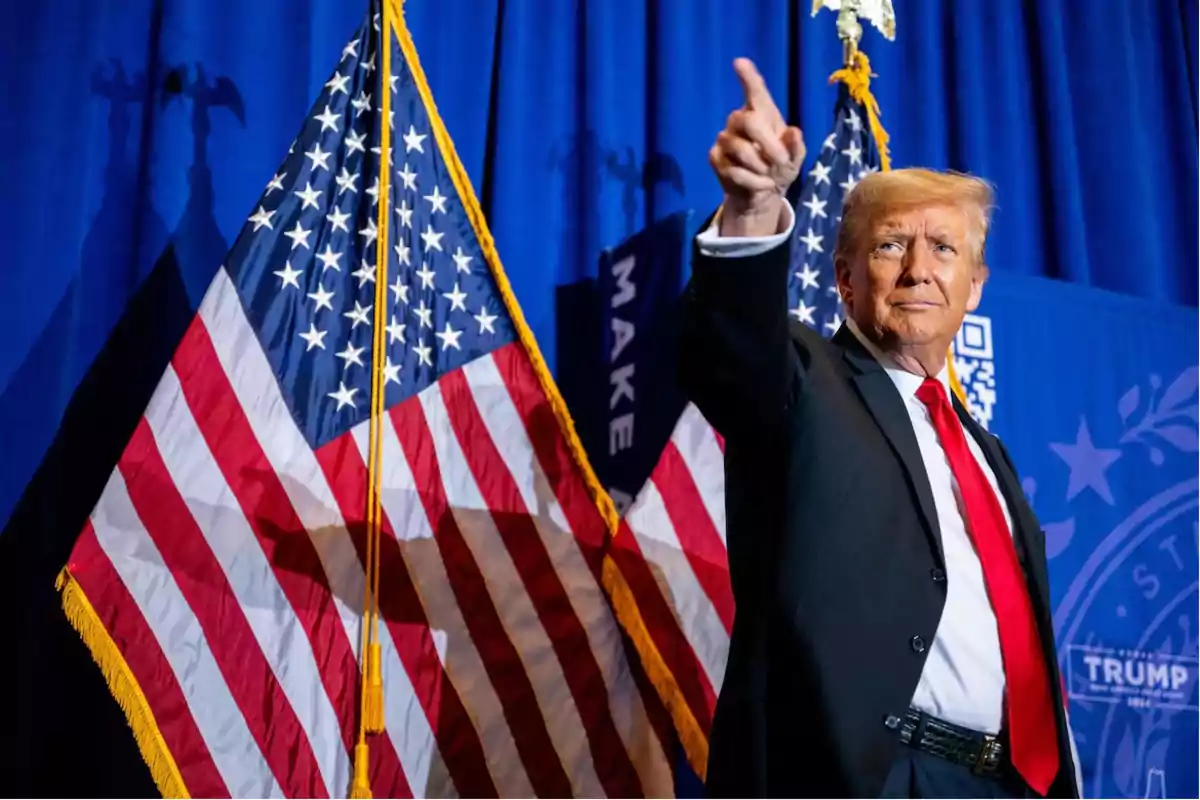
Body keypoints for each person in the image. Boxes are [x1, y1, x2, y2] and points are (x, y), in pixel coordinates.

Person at [678, 58, 1082, 799]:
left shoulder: (989, 456)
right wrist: (753, 211)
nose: (919, 270)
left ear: (973, 290)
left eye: (945, 249)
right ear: (845, 277)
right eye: (892, 245)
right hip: (870, 778)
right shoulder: (806, 380)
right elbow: (732, 349)